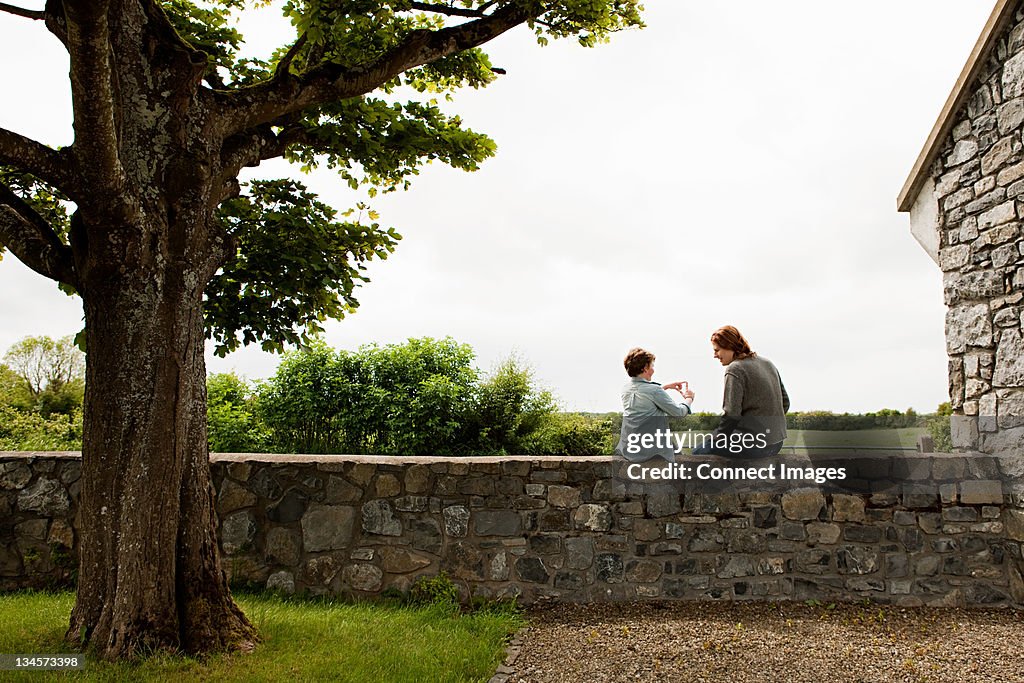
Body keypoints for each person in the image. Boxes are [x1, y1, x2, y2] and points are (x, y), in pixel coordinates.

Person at [692, 325, 790, 458]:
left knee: (698, 452)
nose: (715, 355)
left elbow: (731, 415)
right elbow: (785, 402)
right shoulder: (767, 363)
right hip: (776, 443)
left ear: (729, 346)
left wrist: (715, 438)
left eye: (717, 350)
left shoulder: (735, 368)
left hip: (754, 445)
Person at [616, 347, 694, 462]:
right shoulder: (654, 391)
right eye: (652, 366)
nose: (653, 370)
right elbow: (679, 413)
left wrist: (665, 387)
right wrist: (689, 399)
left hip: (629, 449)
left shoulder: (626, 389)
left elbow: (645, 397)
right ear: (645, 369)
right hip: (648, 451)